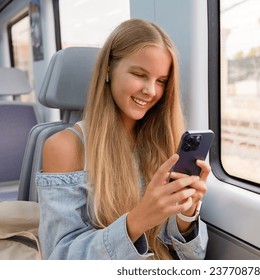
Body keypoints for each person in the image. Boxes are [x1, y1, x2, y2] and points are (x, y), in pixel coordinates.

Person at [35, 19, 210, 260]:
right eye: (139, 74)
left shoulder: (165, 144)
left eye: (161, 81)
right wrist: (137, 220)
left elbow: (192, 260)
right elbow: (59, 259)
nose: (151, 90)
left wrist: (186, 215)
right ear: (108, 69)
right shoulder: (65, 147)